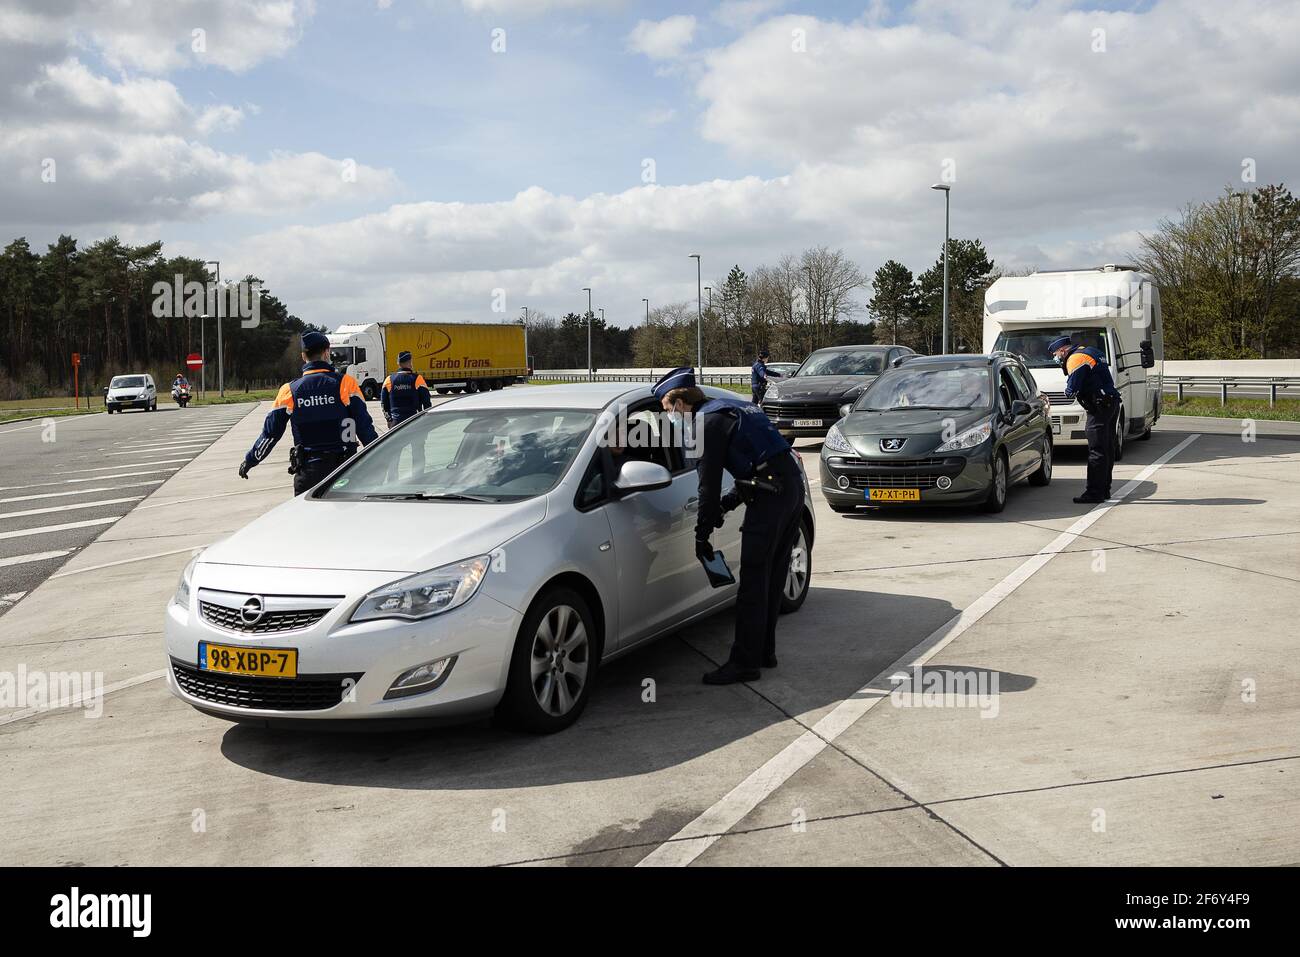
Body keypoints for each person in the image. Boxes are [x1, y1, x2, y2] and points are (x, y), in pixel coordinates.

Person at [655, 366, 804, 685]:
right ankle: (764, 652)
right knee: (772, 575)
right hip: (789, 488)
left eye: (667, 410)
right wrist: (728, 504)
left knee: (753, 580)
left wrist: (702, 536)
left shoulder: (702, 425)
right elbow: (758, 465)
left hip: (771, 496)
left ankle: (745, 663)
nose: (669, 417)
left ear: (679, 403)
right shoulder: (733, 408)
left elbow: (706, 487)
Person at [238, 331, 378, 494]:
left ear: (303, 356)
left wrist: (251, 460)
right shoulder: (346, 383)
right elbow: (364, 427)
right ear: (327, 353)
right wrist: (381, 456)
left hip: (308, 474)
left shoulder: (289, 390)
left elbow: (270, 434)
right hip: (344, 471)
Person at [1049, 335, 1122, 504]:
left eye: (1055, 354)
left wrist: (1066, 391)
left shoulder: (1075, 359)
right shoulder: (1090, 351)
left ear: (1062, 350)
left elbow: (1072, 390)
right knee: (1107, 448)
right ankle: (1104, 489)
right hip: (1110, 403)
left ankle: (1094, 492)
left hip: (1099, 407)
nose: (1056, 358)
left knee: (1096, 451)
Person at [380, 350, 432, 427]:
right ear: (410, 362)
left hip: (396, 424)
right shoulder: (418, 379)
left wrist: (389, 420)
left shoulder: (389, 380)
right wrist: (426, 420)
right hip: (415, 421)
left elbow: (383, 404)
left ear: (398, 363)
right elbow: (427, 402)